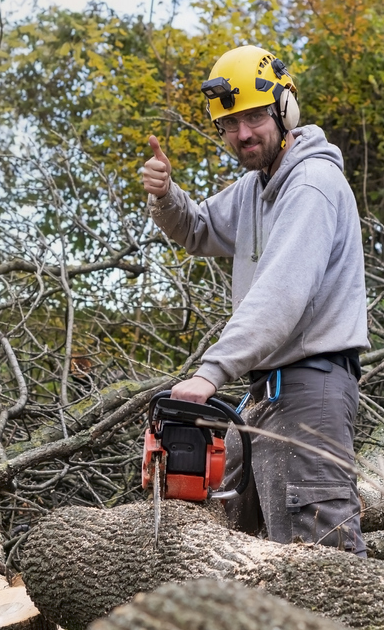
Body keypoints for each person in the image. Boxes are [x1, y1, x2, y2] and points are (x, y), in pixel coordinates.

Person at [141, 45, 369, 555]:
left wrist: (210, 372)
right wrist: (165, 196)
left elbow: (280, 296)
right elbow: (198, 228)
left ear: (284, 109)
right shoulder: (254, 189)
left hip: (310, 391)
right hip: (266, 394)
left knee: (321, 563)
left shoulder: (311, 184)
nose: (242, 134)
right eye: (229, 124)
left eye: (253, 118)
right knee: (246, 554)